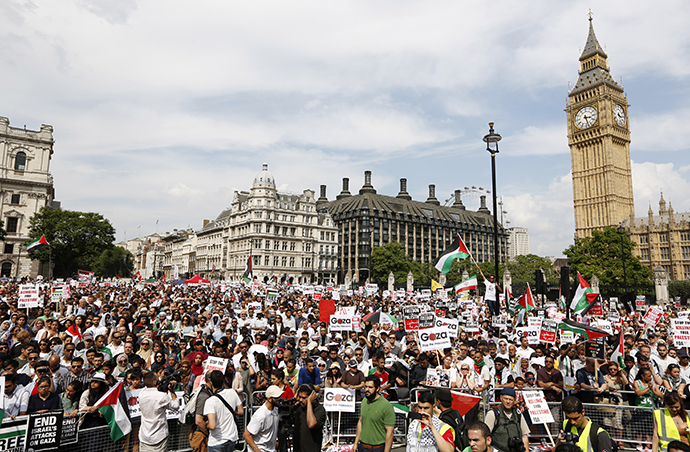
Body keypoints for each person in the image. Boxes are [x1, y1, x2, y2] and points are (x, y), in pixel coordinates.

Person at [138, 370, 181, 452]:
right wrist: (172, 392)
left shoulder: (141, 393)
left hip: (144, 436)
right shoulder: (161, 396)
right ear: (154, 382)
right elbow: (175, 406)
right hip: (159, 436)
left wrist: (161, 379)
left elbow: (149, 384)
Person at [352, 375, 395, 452]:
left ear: (378, 388)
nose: (367, 390)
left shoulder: (386, 406)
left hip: (378, 448)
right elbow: (361, 421)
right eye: (365, 387)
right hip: (362, 447)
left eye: (370, 387)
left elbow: (390, 432)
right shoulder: (364, 401)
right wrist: (355, 443)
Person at [204, 370, 244, 452]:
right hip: (231, 438)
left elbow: (212, 425)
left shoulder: (210, 401)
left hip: (217, 441)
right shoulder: (232, 392)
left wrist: (206, 424)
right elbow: (241, 411)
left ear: (211, 383)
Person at [483, 388, 529, 452]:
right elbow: (486, 436)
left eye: (511, 399)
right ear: (501, 398)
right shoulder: (493, 413)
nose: (508, 402)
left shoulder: (518, 414)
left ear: (514, 401)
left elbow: (524, 436)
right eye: (506, 398)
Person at [244, 384, 282, 452]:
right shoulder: (260, 415)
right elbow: (246, 435)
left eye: (280, 396)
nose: (280, 399)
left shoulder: (276, 411)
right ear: (269, 399)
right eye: (277, 397)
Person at [294, 384, 328, 452]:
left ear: (312, 396)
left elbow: (311, 424)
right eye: (299, 397)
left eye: (304, 398)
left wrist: (309, 402)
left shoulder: (319, 409)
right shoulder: (299, 408)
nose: (301, 400)